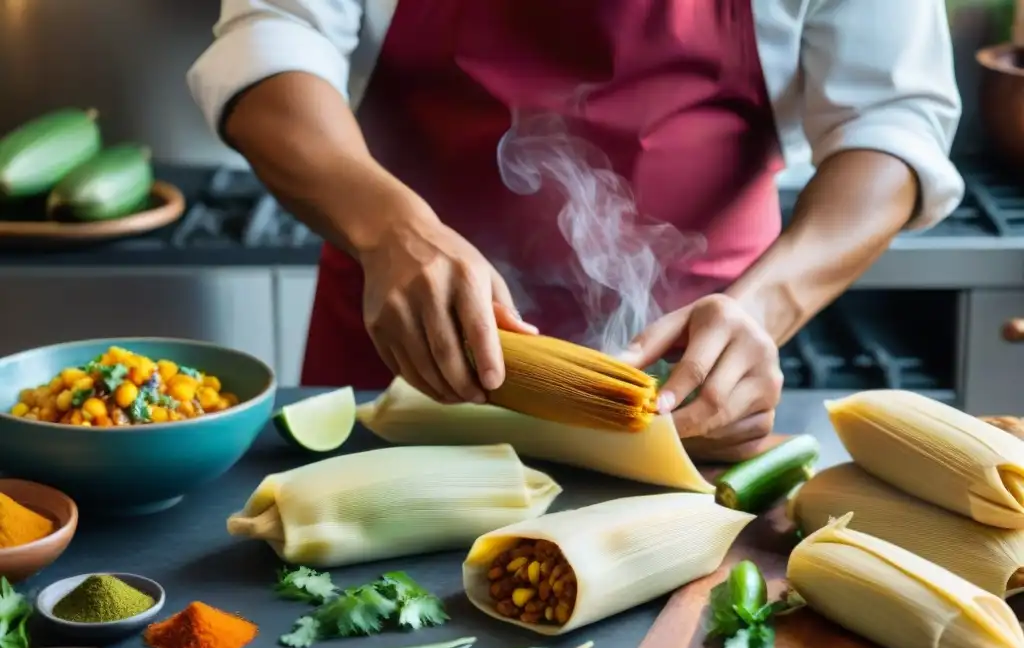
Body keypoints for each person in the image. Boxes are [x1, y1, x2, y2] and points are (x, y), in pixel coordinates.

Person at [188, 0, 963, 461]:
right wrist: (390, 230)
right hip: (401, 353)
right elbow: (272, 44)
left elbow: (890, 122)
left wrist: (764, 310)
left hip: (685, 377)